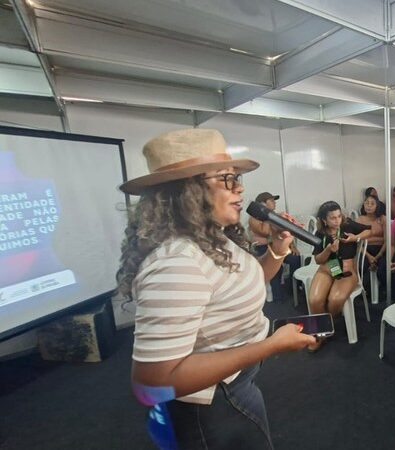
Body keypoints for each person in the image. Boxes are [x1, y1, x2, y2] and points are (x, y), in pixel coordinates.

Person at [118, 128, 315, 449]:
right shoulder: (177, 263)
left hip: (234, 383)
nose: (240, 188)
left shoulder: (211, 237)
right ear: (188, 190)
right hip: (214, 405)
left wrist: (278, 249)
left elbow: (238, 290)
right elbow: (150, 383)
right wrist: (269, 346)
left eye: (237, 177)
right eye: (226, 179)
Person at [308, 201, 371, 351]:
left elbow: (369, 231)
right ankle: (322, 332)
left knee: (335, 300)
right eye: (333, 218)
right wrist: (329, 250)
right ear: (324, 220)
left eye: (338, 216)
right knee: (315, 299)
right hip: (328, 267)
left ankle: (322, 328)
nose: (337, 221)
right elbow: (318, 260)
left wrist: (354, 238)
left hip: (347, 270)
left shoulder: (347, 225)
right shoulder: (321, 234)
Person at [248, 192, 302, 302]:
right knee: (277, 269)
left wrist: (293, 247)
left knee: (295, 259)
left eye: (274, 200)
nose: (275, 203)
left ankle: (293, 289)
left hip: (276, 245)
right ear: (263, 204)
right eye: (271, 201)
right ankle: (278, 298)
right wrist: (267, 215)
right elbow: (265, 232)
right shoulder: (254, 218)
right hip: (263, 248)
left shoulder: (275, 216)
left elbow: (285, 232)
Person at [356, 195, 386, 294]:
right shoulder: (359, 219)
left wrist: (378, 256)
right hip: (365, 250)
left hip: (381, 249)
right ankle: (365, 291)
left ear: (377, 206)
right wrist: (368, 256)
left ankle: (382, 290)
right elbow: (357, 241)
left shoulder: (382, 218)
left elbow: (388, 240)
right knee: (361, 266)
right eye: (366, 203)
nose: (368, 206)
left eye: (372, 203)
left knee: (383, 267)